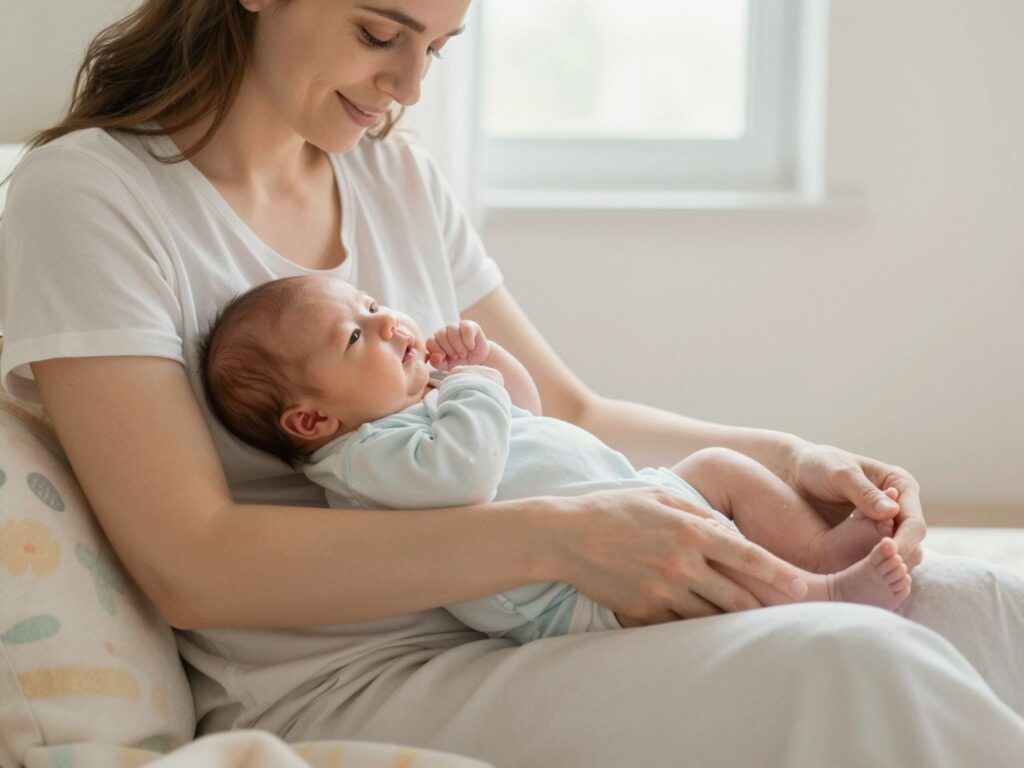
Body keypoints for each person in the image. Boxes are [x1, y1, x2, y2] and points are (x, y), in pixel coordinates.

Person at [0, 0, 1021, 765]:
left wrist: (794, 458)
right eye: (378, 33)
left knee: (988, 612)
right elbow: (194, 562)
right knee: (852, 663)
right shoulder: (91, 198)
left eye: (434, 50)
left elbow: (567, 411)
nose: (407, 89)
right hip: (357, 671)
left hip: (554, 608)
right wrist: (561, 538)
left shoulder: (393, 176)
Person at [200, 273, 914, 644]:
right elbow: (468, 477)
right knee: (712, 562)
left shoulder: (419, 404)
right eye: (356, 337)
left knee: (720, 466)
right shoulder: (362, 461)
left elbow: (530, 414)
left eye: (374, 304)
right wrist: (472, 384)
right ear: (312, 418)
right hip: (572, 595)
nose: (389, 322)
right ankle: (822, 597)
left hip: (625, 500)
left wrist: (490, 361)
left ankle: (818, 548)